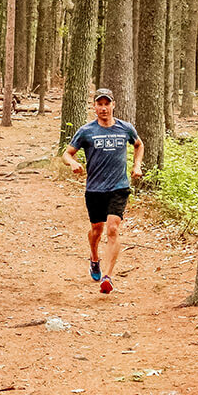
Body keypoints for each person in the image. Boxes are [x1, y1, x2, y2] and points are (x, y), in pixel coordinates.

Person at [62, 88, 144, 294]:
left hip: (119, 187)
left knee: (113, 229)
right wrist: (72, 163)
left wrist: (137, 166)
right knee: (96, 231)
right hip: (95, 189)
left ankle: (107, 276)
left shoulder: (125, 128)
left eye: (107, 104)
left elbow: (138, 144)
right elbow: (67, 153)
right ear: (94, 107)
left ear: (113, 105)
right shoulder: (86, 131)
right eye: (100, 104)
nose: (103, 108)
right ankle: (94, 258)